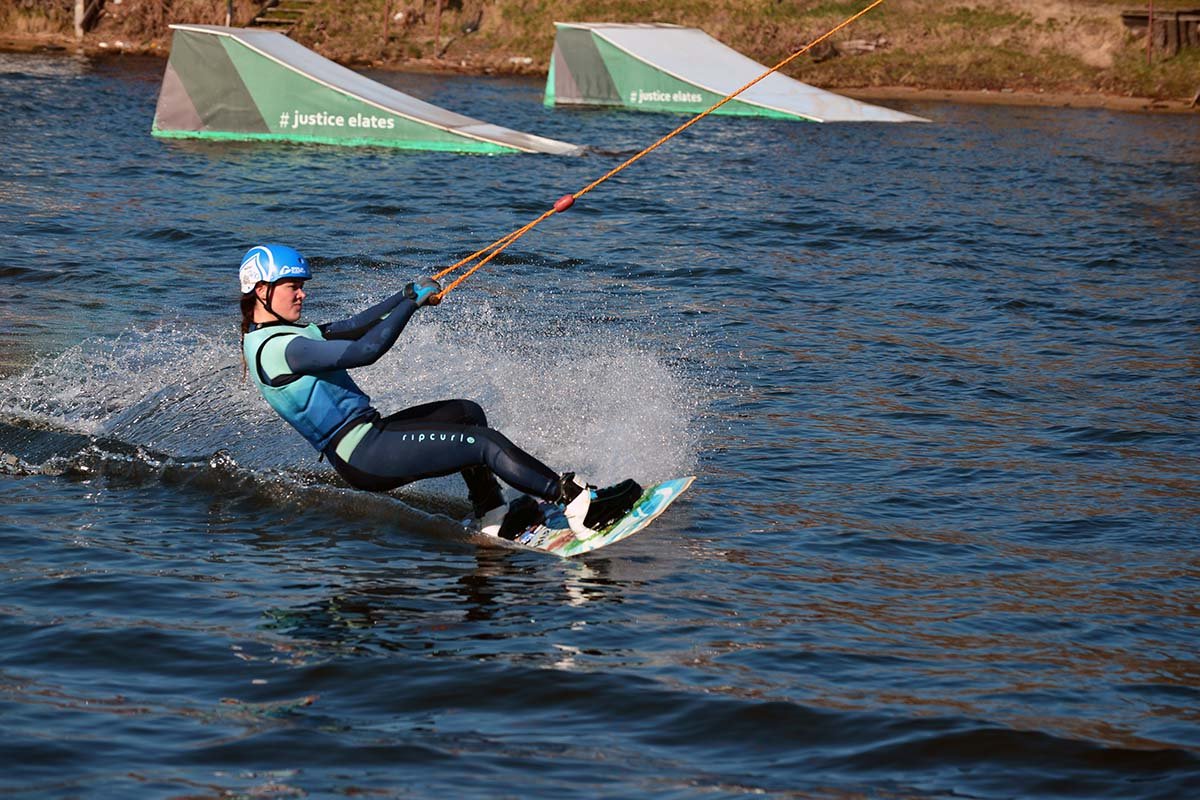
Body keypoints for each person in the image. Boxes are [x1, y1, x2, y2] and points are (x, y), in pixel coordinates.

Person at [238, 243, 640, 539]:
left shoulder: (283, 334)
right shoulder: (279, 349)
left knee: (466, 412)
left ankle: (493, 515)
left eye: (302, 285)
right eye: (292, 286)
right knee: (482, 443)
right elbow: (366, 350)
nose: (302, 293)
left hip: (369, 437)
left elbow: (357, 325)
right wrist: (410, 306)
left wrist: (403, 293)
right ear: (262, 291)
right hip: (363, 453)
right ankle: (576, 504)